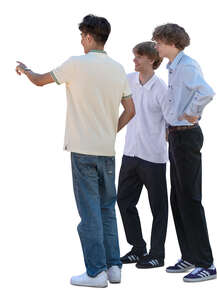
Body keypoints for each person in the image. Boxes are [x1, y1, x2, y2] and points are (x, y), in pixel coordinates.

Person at [15, 14, 135, 288]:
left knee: (89, 213)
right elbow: (130, 111)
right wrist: (109, 132)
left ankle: (95, 273)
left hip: (82, 151)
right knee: (107, 209)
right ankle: (114, 267)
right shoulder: (118, 69)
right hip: (107, 151)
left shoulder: (76, 64)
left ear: (90, 37)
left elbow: (40, 80)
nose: (81, 40)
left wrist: (26, 70)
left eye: (82, 35)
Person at [152, 23, 217, 282]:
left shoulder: (187, 66)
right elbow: (175, 100)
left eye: (157, 41)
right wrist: (171, 123)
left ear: (170, 41)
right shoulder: (173, 67)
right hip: (176, 136)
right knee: (177, 199)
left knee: (190, 198)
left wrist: (192, 113)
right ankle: (189, 255)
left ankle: (207, 263)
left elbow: (206, 92)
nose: (155, 46)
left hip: (187, 137)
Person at [117, 41, 168, 269]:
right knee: (124, 201)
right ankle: (138, 248)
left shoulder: (162, 90)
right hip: (130, 153)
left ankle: (157, 254)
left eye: (138, 56)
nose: (134, 60)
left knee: (158, 207)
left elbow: (170, 124)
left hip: (153, 157)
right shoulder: (127, 80)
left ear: (150, 59)